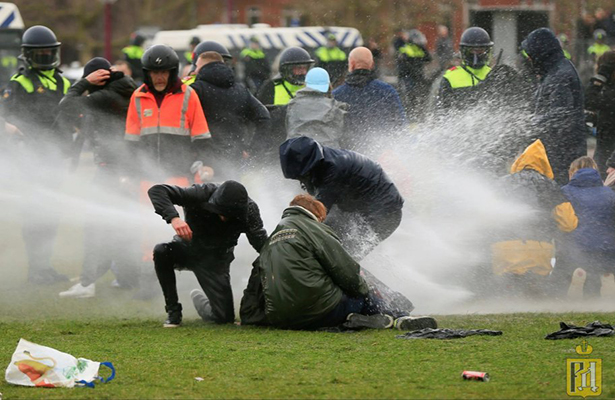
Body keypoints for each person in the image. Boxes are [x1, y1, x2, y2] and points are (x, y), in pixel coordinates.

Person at [255, 194, 435, 330]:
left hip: (283, 320)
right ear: (316, 214)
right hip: (322, 312)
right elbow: (346, 272)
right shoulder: (316, 230)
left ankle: (358, 318)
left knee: (345, 284)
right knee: (362, 278)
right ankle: (400, 316)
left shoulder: (269, 242)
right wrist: (364, 291)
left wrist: (250, 317)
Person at [56, 57, 138, 298]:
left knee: (94, 224)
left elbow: (67, 104)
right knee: (120, 226)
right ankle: (126, 276)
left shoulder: (106, 96)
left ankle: (87, 283)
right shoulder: (121, 88)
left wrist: (82, 83)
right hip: (123, 169)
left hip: (114, 169)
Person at [1, 25, 71, 284]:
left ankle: (46, 266)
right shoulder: (19, 83)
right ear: (28, 56)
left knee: (52, 214)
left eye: (48, 52)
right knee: (35, 215)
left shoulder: (64, 81)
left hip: (56, 160)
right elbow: (3, 117)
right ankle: (36, 270)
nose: (44, 57)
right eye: (39, 53)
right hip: (31, 161)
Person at [148, 180, 267, 327]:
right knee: (162, 251)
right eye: (221, 212)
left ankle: (201, 302)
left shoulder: (250, 210)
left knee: (224, 319)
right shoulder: (201, 193)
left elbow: (259, 240)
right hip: (187, 248)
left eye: (230, 215)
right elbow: (157, 190)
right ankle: (173, 311)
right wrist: (174, 218)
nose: (224, 218)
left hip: (215, 261)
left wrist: (276, 258)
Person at [279, 136, 404, 260]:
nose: (301, 180)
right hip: (359, 207)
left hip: (386, 212)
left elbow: (317, 214)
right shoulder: (321, 162)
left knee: (342, 254)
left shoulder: (333, 170)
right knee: (330, 239)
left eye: (302, 176)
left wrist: (293, 238)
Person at [491, 140, 578, 296]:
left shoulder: (502, 183)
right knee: (534, 295)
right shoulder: (550, 186)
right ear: (545, 164)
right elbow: (568, 223)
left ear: (518, 162)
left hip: (505, 249)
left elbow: (486, 216)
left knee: (506, 294)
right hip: (539, 250)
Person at [190, 51, 270, 180]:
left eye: (197, 67)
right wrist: (253, 150)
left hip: (205, 162)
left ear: (203, 67)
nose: (194, 71)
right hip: (235, 159)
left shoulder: (196, 90)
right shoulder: (241, 90)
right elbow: (263, 117)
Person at [522, 28, 587, 185]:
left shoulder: (560, 76)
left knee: (560, 202)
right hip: (554, 152)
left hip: (562, 156)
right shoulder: (552, 73)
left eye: (531, 55)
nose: (529, 60)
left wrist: (529, 125)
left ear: (541, 54)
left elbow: (560, 115)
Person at [332, 47, 406, 152]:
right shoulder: (387, 91)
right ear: (371, 65)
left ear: (351, 64)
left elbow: (331, 130)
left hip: (349, 157)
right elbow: (400, 124)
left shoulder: (337, 95)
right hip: (381, 154)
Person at [561, 157, 615, 299]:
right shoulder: (609, 193)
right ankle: (607, 276)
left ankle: (578, 277)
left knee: (571, 264)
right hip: (608, 246)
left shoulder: (565, 191)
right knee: (606, 268)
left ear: (572, 172)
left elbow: (562, 219)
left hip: (578, 244)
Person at [285, 67, 347, 149]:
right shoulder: (337, 108)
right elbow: (345, 138)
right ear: (329, 86)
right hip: (328, 157)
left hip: (297, 155)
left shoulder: (291, 107)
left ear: (306, 84)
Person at [436, 27, 493, 111]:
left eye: (480, 50)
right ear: (464, 51)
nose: (476, 55)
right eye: (472, 51)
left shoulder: (494, 74)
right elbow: (441, 113)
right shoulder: (451, 77)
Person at [585, 51, 615, 177]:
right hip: (607, 151)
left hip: (609, 155)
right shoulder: (610, 89)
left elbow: (589, 100)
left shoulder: (611, 92)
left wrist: (600, 77)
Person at [396, 29, 431, 112]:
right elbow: (404, 65)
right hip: (408, 76)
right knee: (410, 96)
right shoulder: (406, 48)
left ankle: (418, 112)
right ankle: (410, 113)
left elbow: (428, 58)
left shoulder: (419, 48)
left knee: (422, 95)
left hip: (418, 76)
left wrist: (423, 48)